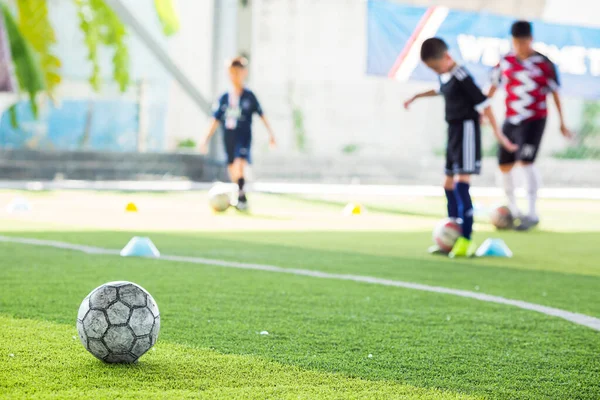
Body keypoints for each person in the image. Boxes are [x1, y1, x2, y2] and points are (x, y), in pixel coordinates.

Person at [404, 38, 517, 257]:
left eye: (436, 67)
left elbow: (484, 104)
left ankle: (465, 239)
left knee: (461, 184)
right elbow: (440, 90)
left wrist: (499, 136)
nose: (436, 71)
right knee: (447, 183)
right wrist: (416, 96)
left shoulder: (463, 76)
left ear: (447, 57)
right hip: (453, 132)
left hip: (466, 131)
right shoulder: (446, 75)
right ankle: (451, 233)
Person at [488, 21, 573, 231]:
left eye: (523, 42)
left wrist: (562, 122)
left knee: (526, 161)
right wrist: (483, 109)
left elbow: (555, 93)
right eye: (516, 42)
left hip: (535, 119)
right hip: (511, 119)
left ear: (531, 40)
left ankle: (532, 213)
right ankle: (513, 211)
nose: (519, 46)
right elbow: (493, 86)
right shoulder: (505, 61)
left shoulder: (544, 63)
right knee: (504, 165)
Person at [201, 57, 276, 211]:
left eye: (238, 72)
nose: (235, 75)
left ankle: (242, 199)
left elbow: (262, 115)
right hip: (229, 137)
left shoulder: (249, 96)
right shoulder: (224, 98)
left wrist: (271, 134)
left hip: (243, 136)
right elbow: (215, 120)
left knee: (239, 165)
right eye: (232, 72)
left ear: (244, 73)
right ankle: (240, 194)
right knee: (233, 170)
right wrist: (205, 139)